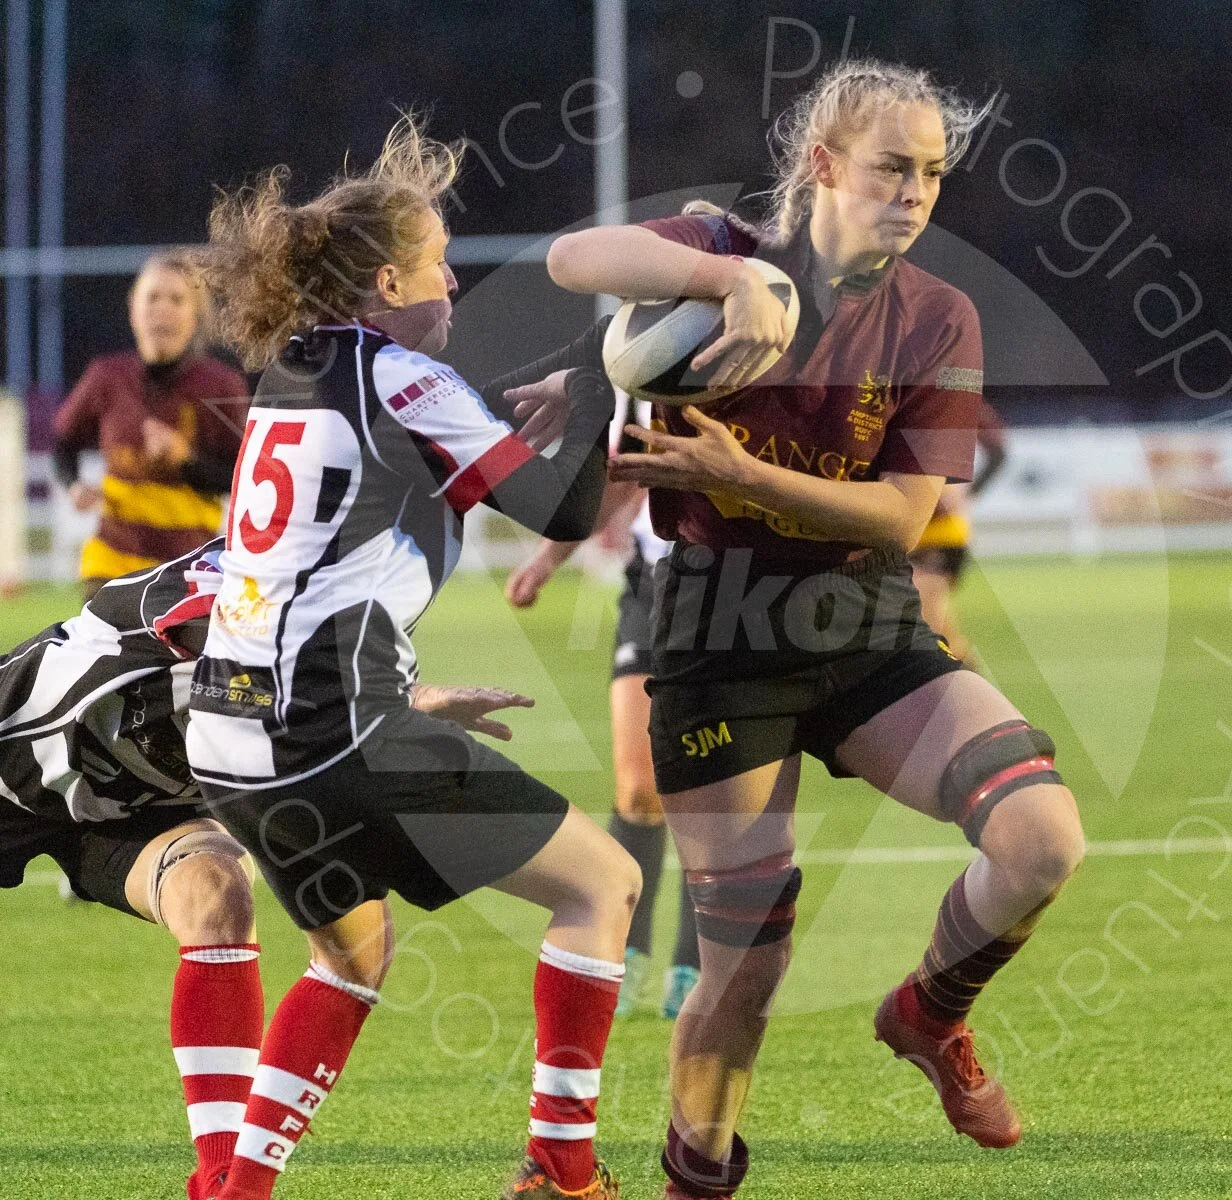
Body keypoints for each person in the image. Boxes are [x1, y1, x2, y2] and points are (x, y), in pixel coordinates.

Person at [546, 60, 1086, 1198]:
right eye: (894, 167)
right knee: (747, 963)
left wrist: (741, 471)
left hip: (861, 619)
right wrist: (725, 282)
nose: (917, 192)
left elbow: (901, 516)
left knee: (1042, 839)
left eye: (934, 173)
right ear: (825, 165)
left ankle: (929, 1015)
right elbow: (570, 259)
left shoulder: (939, 316)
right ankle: (697, 1173)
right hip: (714, 629)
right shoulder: (726, 246)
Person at [189, 116, 639, 1200]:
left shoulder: (293, 372)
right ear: (389, 280)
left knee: (351, 955)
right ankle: (561, 1172)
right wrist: (602, 389)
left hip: (229, 738)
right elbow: (563, 509)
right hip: (337, 734)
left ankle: (236, 1190)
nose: (455, 278)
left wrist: (559, 382)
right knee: (603, 886)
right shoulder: (397, 376)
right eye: (440, 261)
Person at [0, 539, 559, 1200]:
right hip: (18, 767)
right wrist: (402, 702)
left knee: (224, 899)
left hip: (139, 801)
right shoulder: (271, 549)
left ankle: (221, 1181)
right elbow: (213, 653)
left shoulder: (382, 576)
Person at [508, 393, 702, 1020]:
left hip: (733, 590)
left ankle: (695, 968)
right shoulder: (641, 363)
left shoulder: (754, 352)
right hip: (652, 587)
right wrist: (548, 558)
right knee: (639, 788)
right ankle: (631, 950)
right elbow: (628, 480)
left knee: (710, 792)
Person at [53, 251, 249, 599]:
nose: (163, 309)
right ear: (133, 309)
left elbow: (243, 478)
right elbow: (62, 441)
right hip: (112, 564)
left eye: (177, 299)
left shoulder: (223, 386)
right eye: (152, 297)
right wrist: (73, 484)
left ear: (195, 315)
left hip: (186, 570)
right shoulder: (106, 376)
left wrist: (186, 459)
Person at [909, 400, 1007, 662]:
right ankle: (971, 690)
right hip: (907, 532)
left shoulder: (958, 400)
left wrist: (967, 494)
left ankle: (966, 693)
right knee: (936, 627)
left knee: (928, 626)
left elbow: (999, 451)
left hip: (942, 534)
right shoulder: (891, 396)